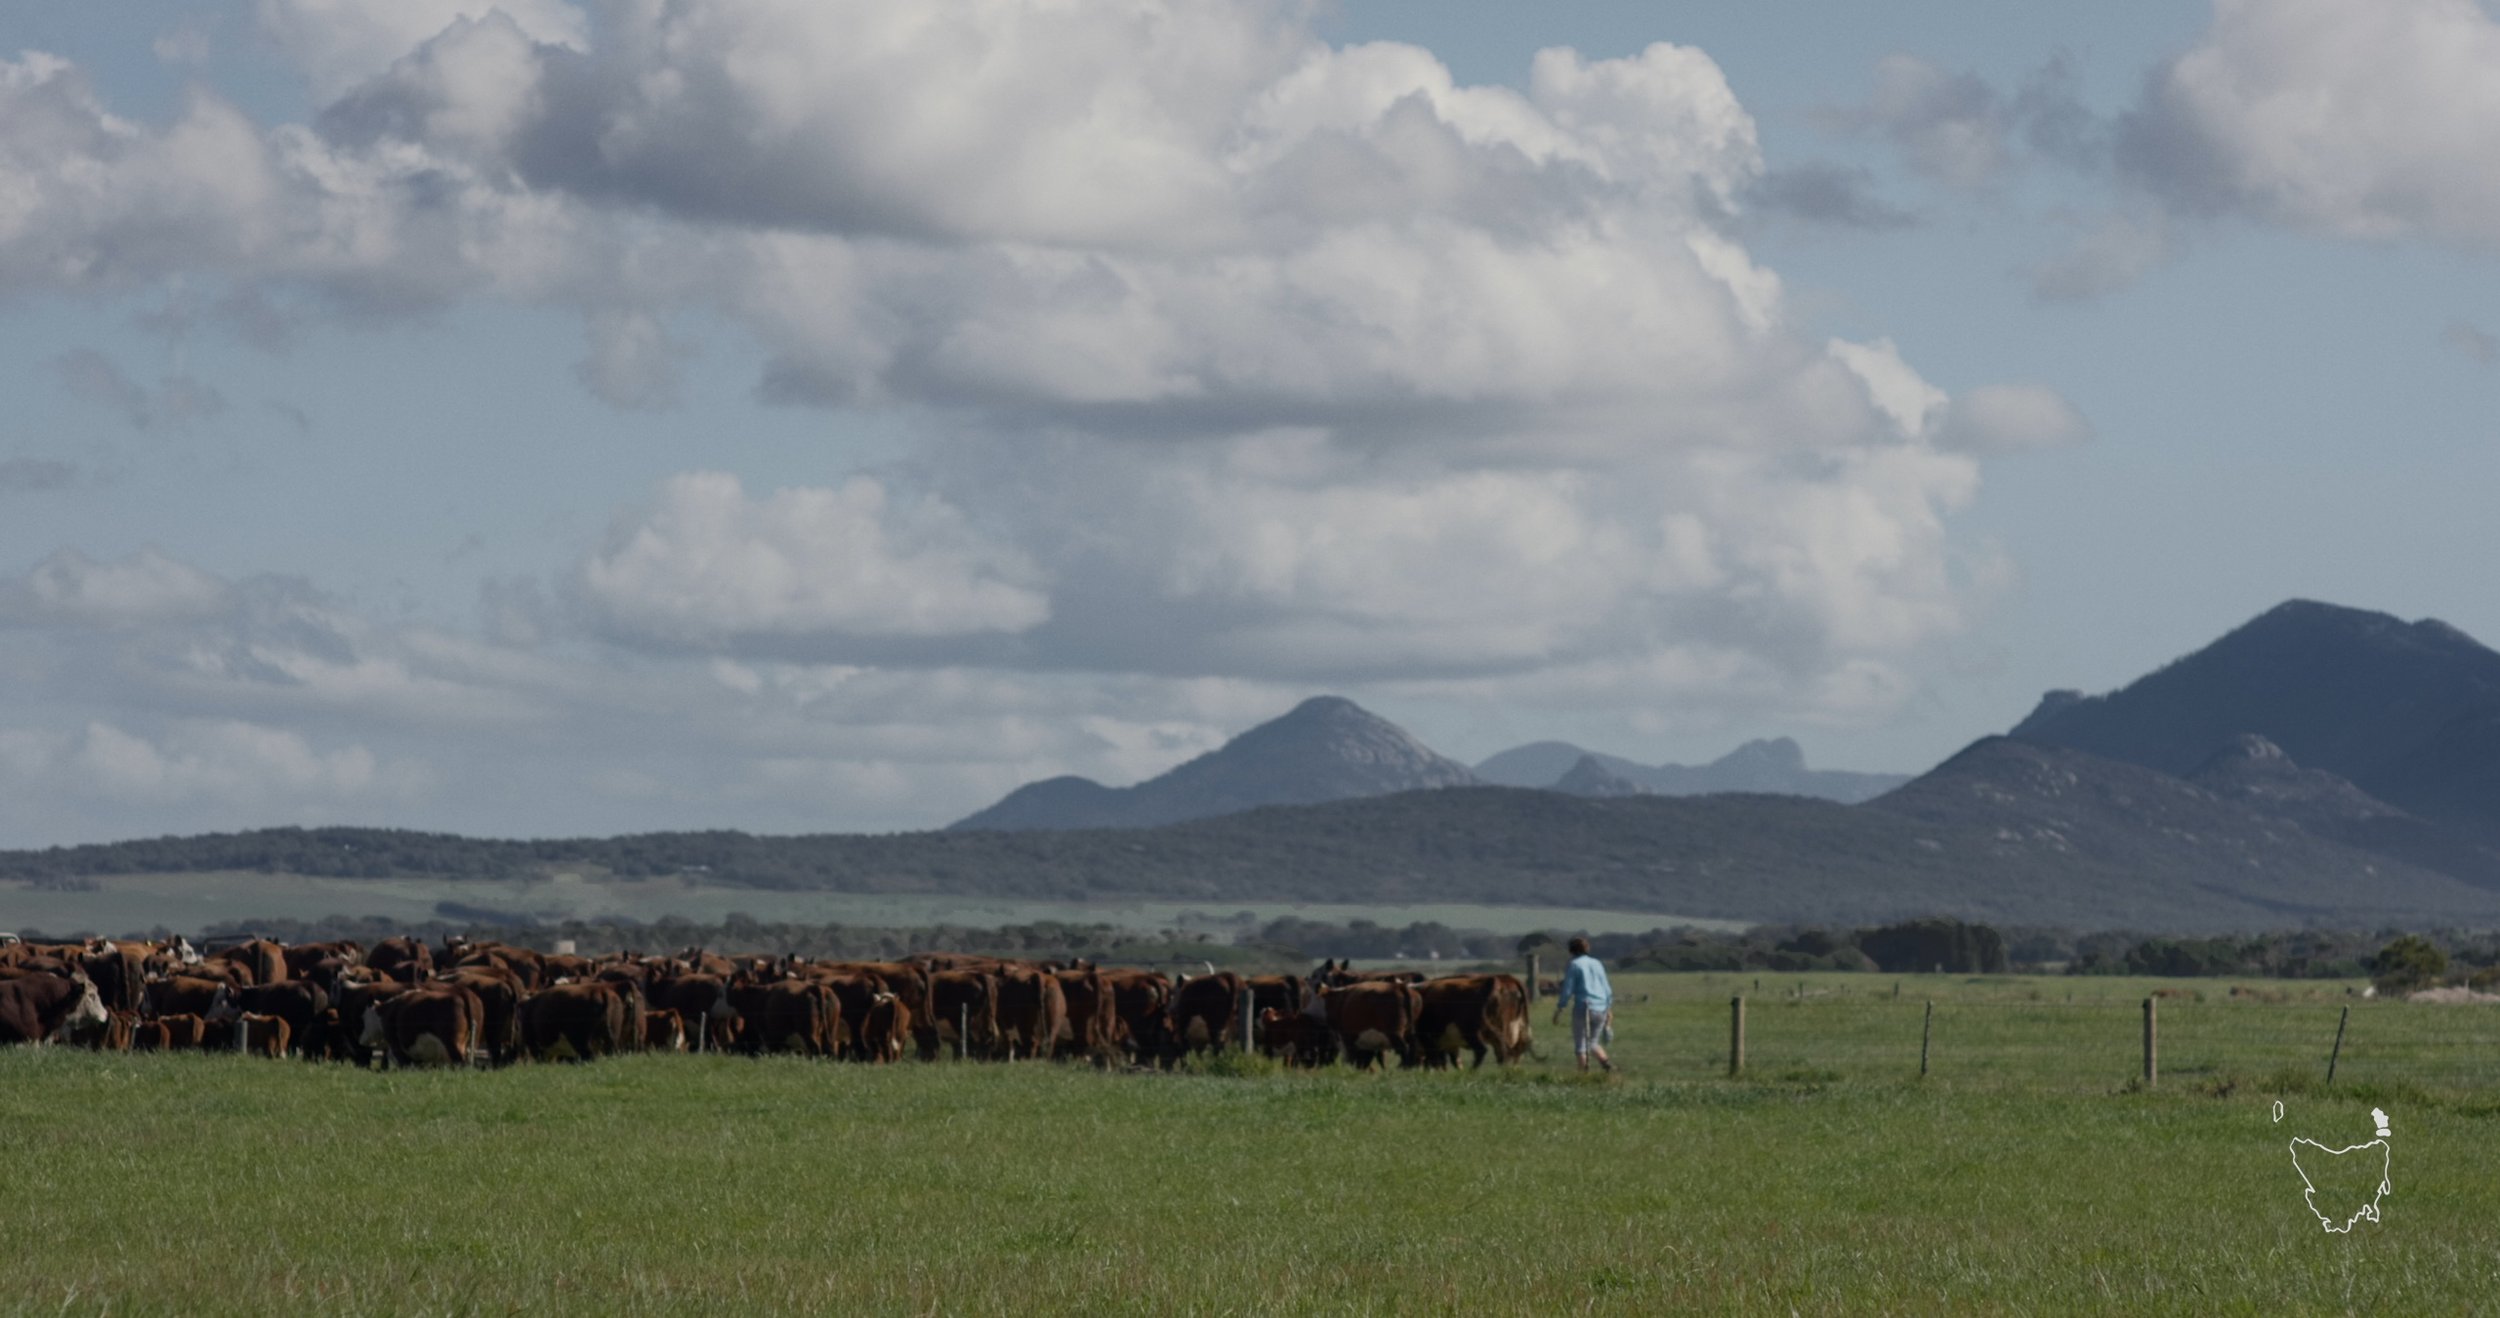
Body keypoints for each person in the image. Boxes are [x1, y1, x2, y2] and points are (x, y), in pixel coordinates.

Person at [1551, 936, 1613, 1072]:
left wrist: (1560, 1008)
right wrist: (1608, 1007)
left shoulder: (1574, 965)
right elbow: (1606, 987)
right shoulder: (1597, 963)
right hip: (1601, 1006)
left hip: (1583, 1007)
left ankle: (1583, 1073)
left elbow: (1568, 989)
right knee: (1593, 1042)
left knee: (1580, 1043)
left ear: (1571, 951)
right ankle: (1606, 1065)